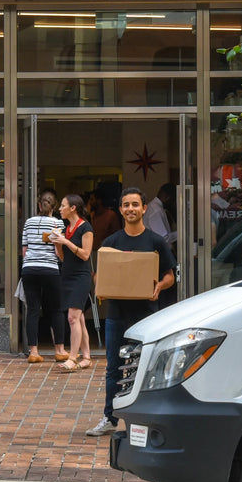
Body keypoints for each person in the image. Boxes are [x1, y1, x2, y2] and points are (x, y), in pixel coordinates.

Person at [86, 187, 175, 437]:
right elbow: (100, 276)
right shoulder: (111, 243)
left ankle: (143, 420)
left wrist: (159, 286)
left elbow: (170, 276)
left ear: (144, 208)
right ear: (121, 209)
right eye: (126, 205)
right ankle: (110, 418)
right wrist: (99, 286)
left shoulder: (155, 241)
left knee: (145, 368)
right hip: (116, 315)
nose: (131, 209)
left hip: (147, 316)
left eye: (135, 204)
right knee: (114, 368)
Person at [20, 190, 67, 364]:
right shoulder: (57, 223)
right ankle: (60, 351)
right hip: (50, 270)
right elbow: (57, 250)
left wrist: (31, 262)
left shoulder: (28, 222)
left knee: (32, 310)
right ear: (53, 207)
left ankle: (33, 352)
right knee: (56, 309)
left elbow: (24, 250)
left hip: (29, 269)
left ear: (39, 205)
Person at [49, 194, 93, 373]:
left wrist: (65, 241)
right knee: (79, 318)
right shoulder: (67, 228)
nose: (60, 209)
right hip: (67, 275)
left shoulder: (86, 227)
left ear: (73, 208)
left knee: (72, 318)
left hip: (81, 277)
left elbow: (85, 255)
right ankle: (87, 356)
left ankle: (72, 358)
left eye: (63, 205)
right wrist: (57, 243)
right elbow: (62, 257)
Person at [143, 182, 177, 247]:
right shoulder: (155, 210)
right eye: (172, 200)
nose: (172, 204)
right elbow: (163, 238)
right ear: (166, 197)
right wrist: (182, 233)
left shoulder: (156, 207)